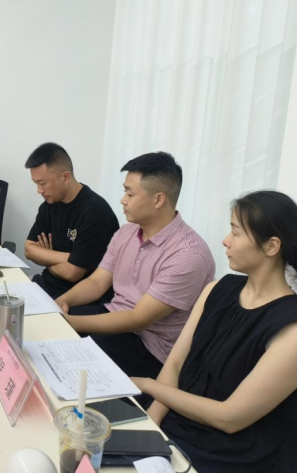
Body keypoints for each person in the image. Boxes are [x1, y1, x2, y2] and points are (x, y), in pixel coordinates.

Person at [132, 191, 297, 473]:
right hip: (175, 424)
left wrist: (147, 385)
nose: (225, 240)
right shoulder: (216, 290)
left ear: (271, 246)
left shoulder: (293, 330)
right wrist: (152, 421)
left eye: (236, 232)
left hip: (230, 454)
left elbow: (229, 418)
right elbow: (176, 364)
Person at [55, 152, 215, 406]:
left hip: (151, 348)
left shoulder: (188, 254)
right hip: (115, 317)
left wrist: (71, 322)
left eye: (130, 194)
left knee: (67, 357)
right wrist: (59, 304)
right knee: (50, 337)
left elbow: (139, 318)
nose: (123, 200)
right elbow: (97, 283)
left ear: (158, 199)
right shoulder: (127, 233)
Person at [24, 143, 119, 299]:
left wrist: (46, 257)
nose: (39, 190)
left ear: (65, 177)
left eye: (42, 183)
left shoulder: (95, 212)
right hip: (46, 284)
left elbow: (72, 273)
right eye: (36, 184)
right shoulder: (49, 205)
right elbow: (29, 249)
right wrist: (68, 257)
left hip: (77, 298)